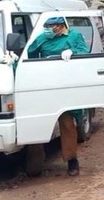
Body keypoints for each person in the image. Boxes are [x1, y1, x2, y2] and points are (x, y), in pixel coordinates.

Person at [26, 16, 89, 176]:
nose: (48, 29)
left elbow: (84, 51)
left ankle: (72, 161)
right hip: (45, 84)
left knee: (67, 124)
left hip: (65, 85)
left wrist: (72, 52)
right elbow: (30, 53)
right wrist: (40, 39)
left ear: (60, 26)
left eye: (51, 26)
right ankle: (36, 163)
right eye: (46, 26)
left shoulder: (73, 36)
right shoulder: (44, 38)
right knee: (38, 122)